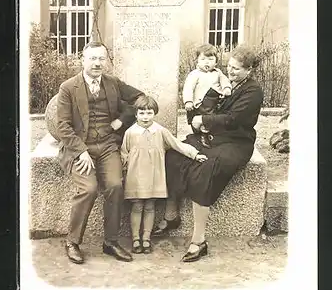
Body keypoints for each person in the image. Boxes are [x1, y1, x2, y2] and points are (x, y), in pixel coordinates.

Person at [153, 45, 263, 262]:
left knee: (206, 169)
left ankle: (198, 240)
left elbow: (233, 119)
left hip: (236, 143)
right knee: (173, 156)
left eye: (237, 69)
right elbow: (206, 106)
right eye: (230, 66)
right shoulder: (222, 81)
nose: (231, 72)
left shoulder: (253, 91)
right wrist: (203, 109)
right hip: (212, 136)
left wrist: (204, 121)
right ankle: (171, 214)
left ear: (248, 70)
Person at [57, 41, 144, 264]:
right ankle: (73, 241)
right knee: (89, 188)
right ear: (82, 60)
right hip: (80, 147)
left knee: (115, 185)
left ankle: (111, 242)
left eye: (101, 59)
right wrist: (80, 151)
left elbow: (139, 99)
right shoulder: (68, 87)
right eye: (93, 58)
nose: (97, 63)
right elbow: (63, 126)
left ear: (106, 61)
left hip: (107, 145)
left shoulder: (113, 83)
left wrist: (121, 120)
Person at [120, 95, 208, 255]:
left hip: (154, 175)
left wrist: (194, 154)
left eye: (149, 113)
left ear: (154, 113)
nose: (145, 117)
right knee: (137, 206)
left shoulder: (160, 131)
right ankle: (135, 239)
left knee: (149, 206)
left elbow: (178, 145)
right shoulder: (130, 132)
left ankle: (146, 238)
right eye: (141, 113)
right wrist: (124, 174)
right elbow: (124, 154)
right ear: (136, 114)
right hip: (136, 176)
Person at [182, 44, 232, 148]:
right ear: (198, 61)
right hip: (201, 103)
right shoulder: (194, 74)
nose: (207, 62)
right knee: (200, 120)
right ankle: (201, 136)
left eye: (210, 59)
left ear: (216, 62)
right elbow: (188, 88)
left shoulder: (218, 73)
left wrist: (227, 88)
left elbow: (225, 81)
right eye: (203, 59)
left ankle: (211, 136)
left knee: (214, 119)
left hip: (215, 101)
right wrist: (188, 101)